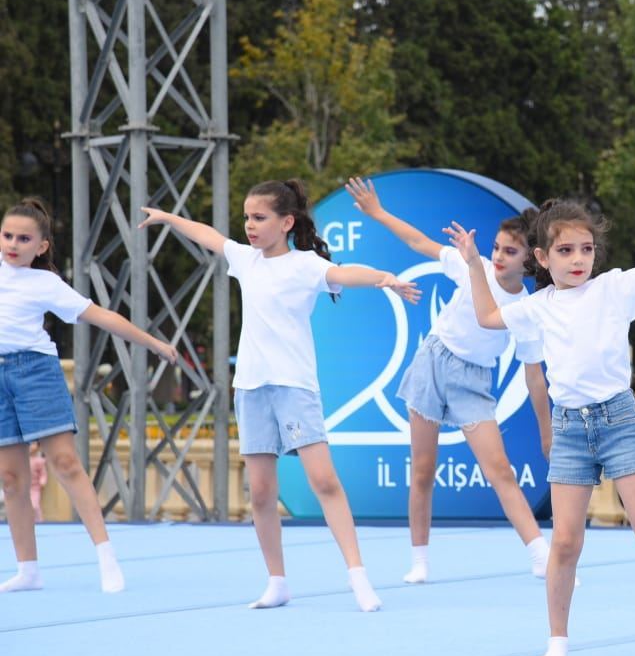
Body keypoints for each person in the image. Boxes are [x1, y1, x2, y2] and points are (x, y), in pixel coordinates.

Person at [449, 181, 635, 656]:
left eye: (586, 249)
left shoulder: (614, 287)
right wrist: (472, 261)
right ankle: (558, 640)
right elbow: (487, 316)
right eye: (566, 250)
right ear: (543, 257)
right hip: (571, 429)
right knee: (566, 541)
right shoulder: (538, 308)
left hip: (618, 421)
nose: (579, 258)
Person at [140, 179, 421, 611]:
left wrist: (386, 279)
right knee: (260, 493)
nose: (250, 226)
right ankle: (277, 581)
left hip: (294, 387)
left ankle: (358, 578)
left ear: (286, 222)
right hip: (250, 388)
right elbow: (207, 235)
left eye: (260, 218)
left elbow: (345, 273)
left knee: (324, 481)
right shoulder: (244, 259)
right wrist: (166, 218)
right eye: (247, 218)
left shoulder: (305, 265)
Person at [344, 176, 553, 584]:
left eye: (510, 252)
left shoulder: (527, 310)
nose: (498, 256)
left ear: (530, 260)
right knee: (422, 470)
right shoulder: (472, 265)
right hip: (431, 363)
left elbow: (535, 379)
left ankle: (540, 554)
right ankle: (419, 560)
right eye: (496, 247)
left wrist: (547, 433)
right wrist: (377, 212)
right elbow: (420, 243)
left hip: (473, 382)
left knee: (501, 471)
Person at [1, 198, 177, 594]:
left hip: (35, 371)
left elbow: (103, 316)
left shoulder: (45, 283)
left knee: (64, 462)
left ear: (42, 246)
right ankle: (28, 569)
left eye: (24, 238)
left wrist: (153, 343)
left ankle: (105, 556)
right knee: (11, 478)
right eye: (7, 235)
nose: (13, 243)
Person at [28, 442, 47, 523]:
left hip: (35, 488)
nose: (31, 446)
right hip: (23, 487)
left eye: (33, 444)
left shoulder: (39, 461)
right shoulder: (21, 459)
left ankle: (39, 521)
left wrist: (42, 481)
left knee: (34, 505)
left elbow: (43, 473)